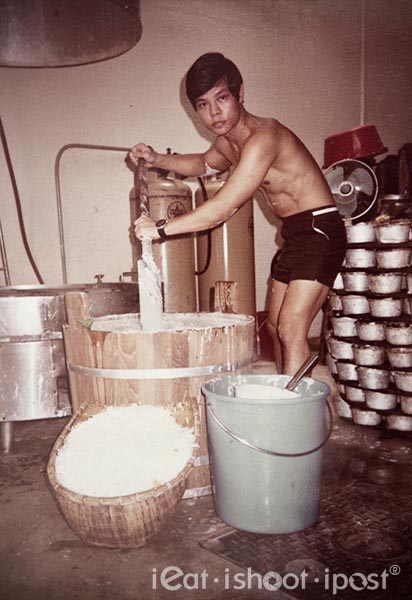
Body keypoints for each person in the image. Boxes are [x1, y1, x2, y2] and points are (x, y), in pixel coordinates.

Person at [129, 52, 347, 375]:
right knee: (273, 327)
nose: (214, 112)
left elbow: (221, 208)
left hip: (321, 229)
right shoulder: (227, 143)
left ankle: (292, 415)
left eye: (222, 98)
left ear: (240, 93)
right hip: (294, 233)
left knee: (290, 329)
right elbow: (201, 164)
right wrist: (157, 158)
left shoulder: (263, 138)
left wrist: (159, 229)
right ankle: (286, 394)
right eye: (203, 104)